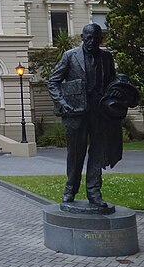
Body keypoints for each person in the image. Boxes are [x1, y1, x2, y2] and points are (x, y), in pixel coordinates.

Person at [47, 23, 117, 207]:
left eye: (95, 38)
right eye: (88, 38)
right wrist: (63, 104)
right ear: (82, 37)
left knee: (97, 154)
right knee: (75, 155)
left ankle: (94, 192)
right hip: (76, 114)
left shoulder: (106, 58)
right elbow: (53, 82)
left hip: (99, 113)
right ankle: (70, 189)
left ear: (101, 39)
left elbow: (112, 82)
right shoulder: (70, 56)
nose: (91, 41)